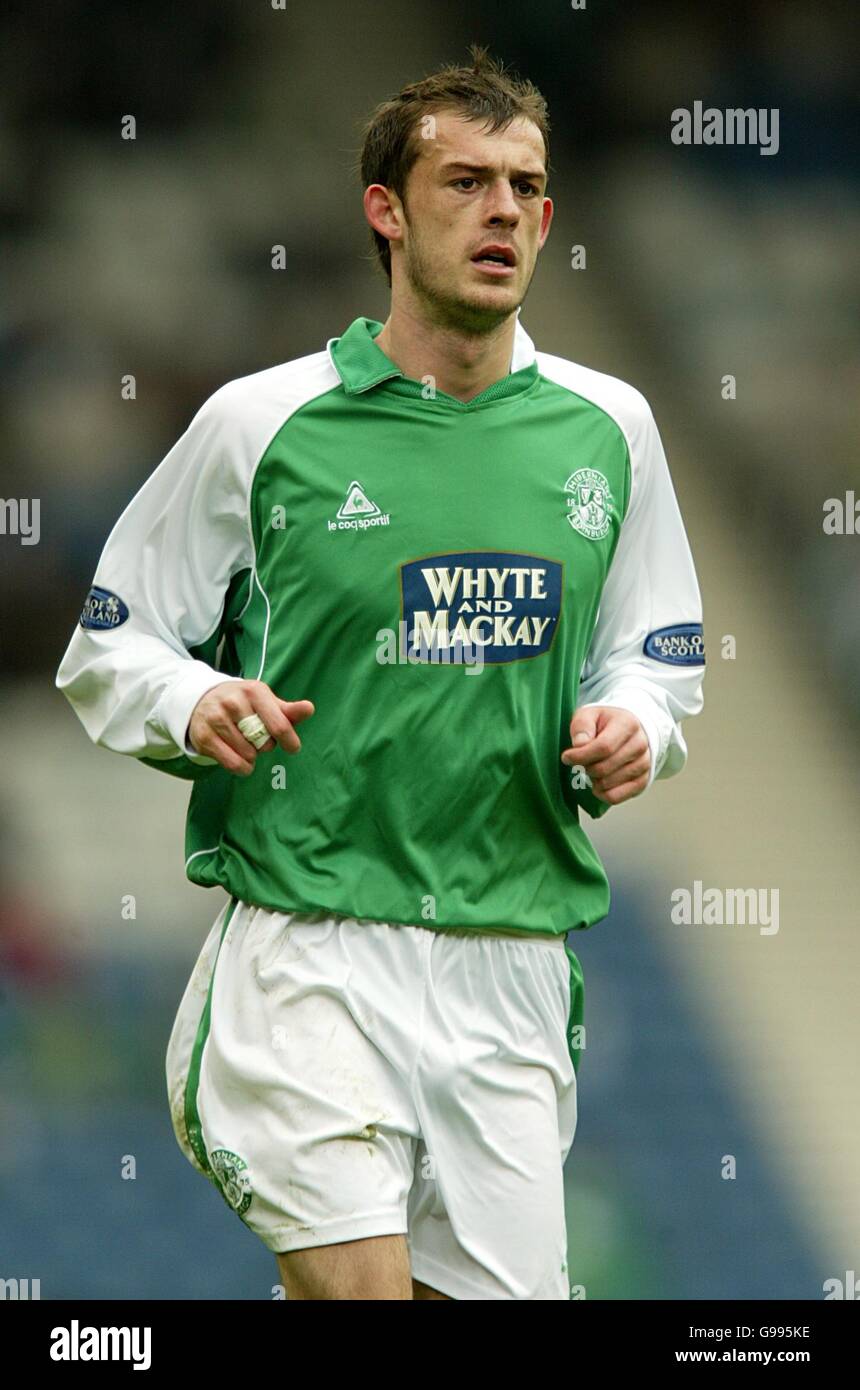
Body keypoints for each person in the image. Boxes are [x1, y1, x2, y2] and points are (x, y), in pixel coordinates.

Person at [55, 44, 705, 1300]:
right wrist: (195, 699)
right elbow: (112, 637)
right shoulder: (264, 421)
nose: (501, 210)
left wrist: (633, 719)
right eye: (464, 182)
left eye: (523, 186)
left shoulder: (609, 426)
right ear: (387, 212)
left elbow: (657, 651)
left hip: (510, 960)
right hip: (313, 945)